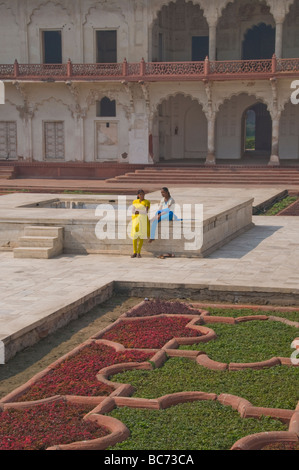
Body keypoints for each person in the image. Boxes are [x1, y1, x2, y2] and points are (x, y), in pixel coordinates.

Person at [131, 189, 150, 258]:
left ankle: (139, 252)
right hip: (136, 220)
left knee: (141, 236)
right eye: (141, 194)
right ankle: (134, 252)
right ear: (138, 195)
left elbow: (145, 212)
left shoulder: (147, 202)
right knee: (135, 236)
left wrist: (137, 210)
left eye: (143, 194)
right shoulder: (135, 201)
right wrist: (139, 211)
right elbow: (133, 211)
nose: (142, 196)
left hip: (143, 220)